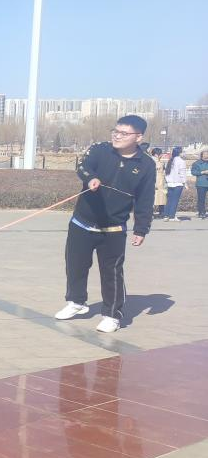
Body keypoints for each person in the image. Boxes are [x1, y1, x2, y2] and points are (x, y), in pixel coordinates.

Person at [55, 115, 154, 333]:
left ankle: (112, 315)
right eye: (115, 131)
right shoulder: (100, 149)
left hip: (113, 228)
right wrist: (90, 178)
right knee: (75, 265)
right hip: (82, 222)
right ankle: (76, 302)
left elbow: (145, 198)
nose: (117, 136)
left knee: (112, 272)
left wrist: (142, 228)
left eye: (124, 133)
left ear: (138, 137)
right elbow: (82, 166)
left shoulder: (146, 165)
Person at [163, 146, 188, 222]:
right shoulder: (181, 161)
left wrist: (167, 181)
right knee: (175, 200)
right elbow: (182, 173)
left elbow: (166, 173)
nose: (183, 153)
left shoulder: (170, 161)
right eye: (182, 152)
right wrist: (185, 183)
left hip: (170, 183)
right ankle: (172, 216)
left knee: (169, 200)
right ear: (180, 153)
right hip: (178, 183)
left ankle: (166, 216)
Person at [192, 150, 208, 220]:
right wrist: (203, 172)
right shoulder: (196, 163)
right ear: (202, 155)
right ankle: (201, 212)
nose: (207, 156)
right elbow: (193, 172)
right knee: (201, 199)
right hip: (201, 184)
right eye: (205, 154)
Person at [151, 147, 168, 216]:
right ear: (156, 154)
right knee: (157, 197)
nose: (161, 155)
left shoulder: (159, 161)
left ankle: (160, 212)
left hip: (159, 181)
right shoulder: (153, 162)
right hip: (157, 181)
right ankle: (160, 212)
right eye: (160, 154)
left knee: (160, 197)